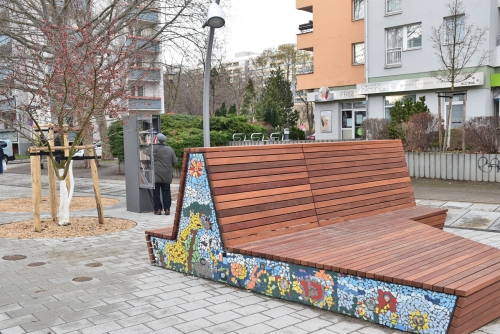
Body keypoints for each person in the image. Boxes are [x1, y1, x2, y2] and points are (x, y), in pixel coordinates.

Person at [149, 133, 178, 215]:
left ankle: (158, 209)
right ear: (165, 141)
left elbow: (145, 152)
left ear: (157, 140)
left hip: (156, 174)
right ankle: (167, 209)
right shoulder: (170, 149)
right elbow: (175, 161)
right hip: (167, 174)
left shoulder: (153, 148)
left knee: (156, 192)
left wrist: (148, 143)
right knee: (166, 192)